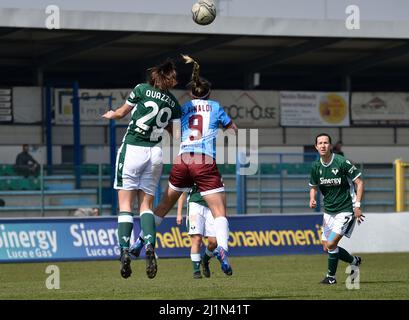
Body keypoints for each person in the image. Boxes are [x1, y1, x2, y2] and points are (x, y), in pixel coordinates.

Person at [130, 54, 237, 277]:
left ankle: (142, 241)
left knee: (162, 206)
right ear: (210, 93)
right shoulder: (215, 107)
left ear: (191, 93)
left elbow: (174, 131)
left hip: (183, 160)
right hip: (204, 160)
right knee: (220, 211)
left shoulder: (184, 107)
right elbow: (232, 128)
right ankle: (224, 251)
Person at [102, 59, 181, 279]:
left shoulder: (141, 89)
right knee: (146, 206)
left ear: (154, 76)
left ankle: (125, 251)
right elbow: (177, 136)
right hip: (155, 154)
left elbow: (121, 113)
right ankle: (149, 248)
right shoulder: (174, 104)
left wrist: (111, 114)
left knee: (125, 205)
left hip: (133, 149)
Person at [309, 133, 365, 285]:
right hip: (328, 212)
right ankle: (354, 260)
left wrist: (357, 206)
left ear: (330, 146)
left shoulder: (341, 162)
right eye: (319, 143)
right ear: (316, 147)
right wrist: (312, 198)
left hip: (345, 209)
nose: (322, 145)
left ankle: (330, 277)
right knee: (327, 247)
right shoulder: (316, 166)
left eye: (325, 143)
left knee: (332, 244)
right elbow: (313, 187)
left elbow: (359, 183)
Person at [176, 186, 217, 279]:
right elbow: (182, 192)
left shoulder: (214, 173)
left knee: (213, 242)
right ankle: (196, 271)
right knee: (197, 239)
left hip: (211, 206)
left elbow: (220, 193)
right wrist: (179, 213)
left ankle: (205, 261)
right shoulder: (190, 172)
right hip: (195, 205)